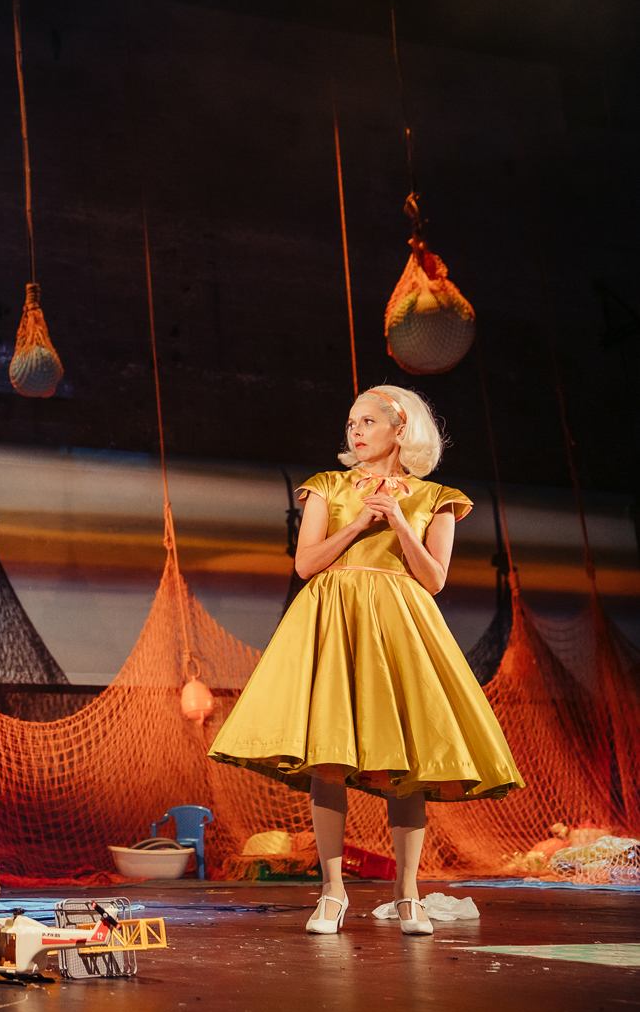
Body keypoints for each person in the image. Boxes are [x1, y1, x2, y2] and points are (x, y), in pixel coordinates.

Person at [207, 385, 522, 937]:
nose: (355, 430)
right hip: (334, 620)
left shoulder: (437, 498)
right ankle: (332, 892)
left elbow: (434, 579)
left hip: (400, 626)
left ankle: (408, 895)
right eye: (352, 422)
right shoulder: (328, 486)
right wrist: (357, 525)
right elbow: (306, 564)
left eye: (368, 421)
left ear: (401, 429)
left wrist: (398, 520)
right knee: (328, 758)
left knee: (407, 765)